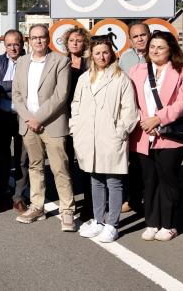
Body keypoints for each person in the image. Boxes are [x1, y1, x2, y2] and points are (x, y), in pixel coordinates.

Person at [69, 37, 138, 243]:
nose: (101, 56)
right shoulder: (84, 78)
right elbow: (76, 104)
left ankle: (112, 224)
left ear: (112, 53)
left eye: (105, 52)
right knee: (95, 180)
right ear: (91, 54)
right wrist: (76, 128)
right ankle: (98, 220)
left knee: (114, 181)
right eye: (97, 53)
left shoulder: (121, 78)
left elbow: (130, 111)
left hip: (111, 137)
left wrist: (121, 132)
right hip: (88, 136)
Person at [128, 31, 183, 242]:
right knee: (149, 181)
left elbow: (182, 103)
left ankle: (169, 223)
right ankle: (152, 222)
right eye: (152, 47)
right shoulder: (137, 70)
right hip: (142, 134)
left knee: (168, 180)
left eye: (160, 47)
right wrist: (144, 121)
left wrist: (158, 119)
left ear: (171, 49)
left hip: (170, 135)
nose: (155, 51)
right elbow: (131, 101)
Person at [12, 24, 76, 232]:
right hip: (28, 124)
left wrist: (38, 118)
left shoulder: (61, 61)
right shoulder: (21, 62)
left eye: (42, 37)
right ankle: (37, 206)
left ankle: (67, 211)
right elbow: (17, 95)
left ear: (47, 39)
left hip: (52, 123)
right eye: (34, 38)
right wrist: (29, 118)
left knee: (60, 168)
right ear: (28, 40)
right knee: (35, 166)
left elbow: (61, 95)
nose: (38, 41)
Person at [0, 30, 30, 213]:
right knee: (0, 158)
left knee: (22, 159)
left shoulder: (29, 61)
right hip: (2, 116)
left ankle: (18, 196)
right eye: (9, 44)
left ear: (22, 44)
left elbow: (29, 87)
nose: (13, 48)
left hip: (23, 115)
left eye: (16, 44)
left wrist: (3, 84)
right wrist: (14, 85)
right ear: (4, 45)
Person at [119, 22, 151, 214]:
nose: (140, 39)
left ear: (149, 35)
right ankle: (132, 198)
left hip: (153, 117)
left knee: (151, 163)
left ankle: (150, 199)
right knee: (134, 162)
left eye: (143, 35)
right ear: (130, 40)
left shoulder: (158, 53)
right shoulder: (126, 57)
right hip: (133, 116)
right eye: (135, 36)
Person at [62, 26, 92, 220]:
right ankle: (68, 200)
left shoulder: (90, 63)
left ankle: (89, 202)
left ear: (84, 43)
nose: (75, 43)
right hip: (63, 116)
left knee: (85, 160)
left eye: (78, 40)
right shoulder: (59, 61)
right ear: (66, 43)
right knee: (65, 159)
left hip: (84, 116)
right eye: (71, 40)